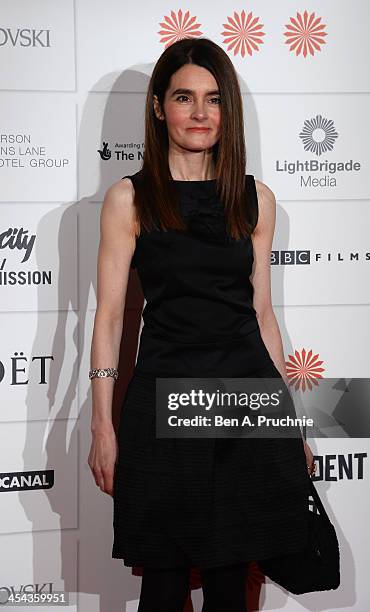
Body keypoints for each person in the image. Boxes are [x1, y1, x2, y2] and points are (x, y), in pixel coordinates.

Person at [88, 37, 315, 612]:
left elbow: (262, 316)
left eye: (213, 99)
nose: (199, 113)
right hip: (164, 404)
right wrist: (101, 426)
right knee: (162, 584)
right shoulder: (129, 200)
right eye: (184, 97)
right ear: (159, 107)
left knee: (231, 583)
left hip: (243, 401)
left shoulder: (255, 199)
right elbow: (110, 319)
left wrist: (293, 422)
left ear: (227, 111)